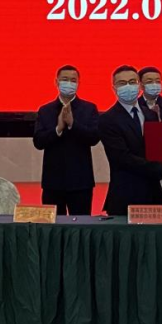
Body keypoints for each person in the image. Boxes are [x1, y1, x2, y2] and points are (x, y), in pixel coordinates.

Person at [98, 65, 162, 215]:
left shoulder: (151, 115)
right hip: (125, 194)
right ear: (114, 88)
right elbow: (122, 158)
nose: (128, 86)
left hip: (153, 193)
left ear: (139, 85)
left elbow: (157, 150)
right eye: (122, 83)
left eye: (132, 82)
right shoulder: (107, 119)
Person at [33, 65, 100, 215]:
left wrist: (72, 125)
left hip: (81, 182)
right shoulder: (45, 110)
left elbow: (94, 138)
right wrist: (58, 129)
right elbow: (38, 141)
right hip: (53, 182)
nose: (69, 83)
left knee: (81, 224)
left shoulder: (89, 108)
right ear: (56, 82)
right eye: (65, 79)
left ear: (78, 83)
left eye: (73, 80)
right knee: (54, 225)